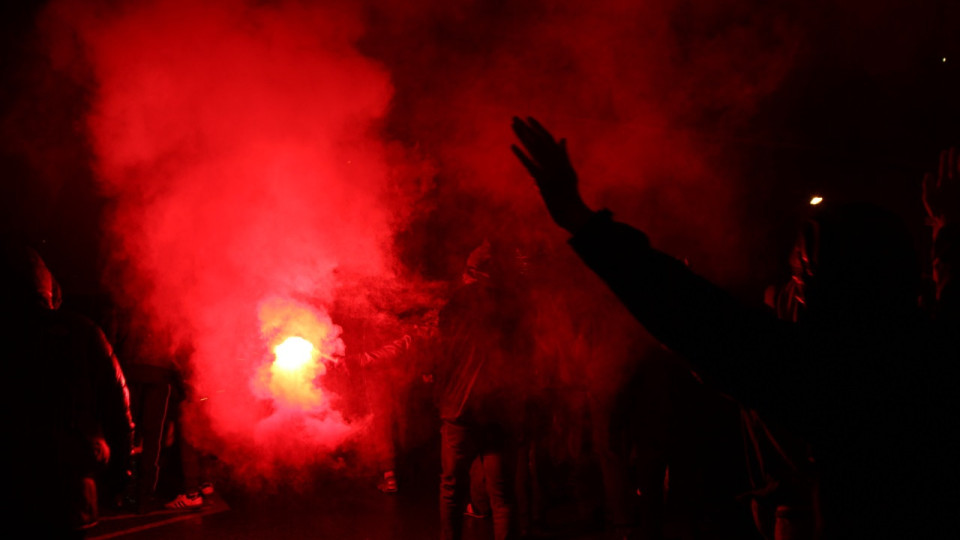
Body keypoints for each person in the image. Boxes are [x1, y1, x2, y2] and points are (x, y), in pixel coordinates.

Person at [511, 118, 958, 538]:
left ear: (836, 286)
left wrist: (579, 217)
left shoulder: (823, 374)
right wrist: (947, 231)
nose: (800, 290)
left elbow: (689, 310)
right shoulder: (928, 356)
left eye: (808, 277)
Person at [2, 242, 134, 537]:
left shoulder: (10, 336)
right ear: (49, 287)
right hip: (73, 488)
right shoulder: (82, 331)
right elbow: (118, 408)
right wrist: (119, 475)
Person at [436, 239, 534, 540]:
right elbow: (526, 356)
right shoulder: (516, 306)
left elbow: (442, 353)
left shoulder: (457, 303)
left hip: (460, 409)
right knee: (502, 496)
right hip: (500, 411)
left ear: (474, 272)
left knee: (453, 488)